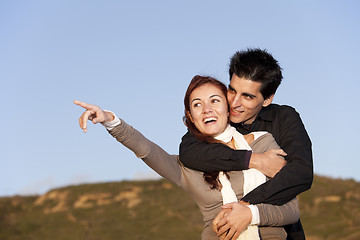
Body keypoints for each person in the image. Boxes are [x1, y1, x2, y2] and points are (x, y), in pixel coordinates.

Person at [74, 75, 299, 240]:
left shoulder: (264, 144)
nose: (207, 109)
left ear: (228, 107)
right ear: (191, 117)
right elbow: (147, 150)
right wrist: (109, 120)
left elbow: (291, 211)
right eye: (197, 105)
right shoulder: (188, 166)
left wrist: (249, 214)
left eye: (214, 100)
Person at [179, 49, 313, 240]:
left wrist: (246, 206)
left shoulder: (285, 118)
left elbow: (301, 173)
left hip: (281, 231)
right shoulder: (218, 118)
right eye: (232, 90)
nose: (234, 103)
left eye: (247, 96)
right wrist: (253, 160)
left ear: (267, 99)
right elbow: (189, 151)